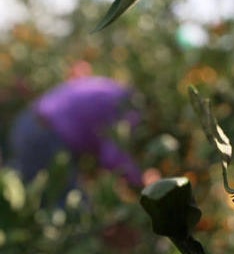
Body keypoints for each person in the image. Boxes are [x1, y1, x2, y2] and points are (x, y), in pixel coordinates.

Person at [4, 76, 143, 190]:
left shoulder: (109, 89)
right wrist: (143, 185)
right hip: (43, 133)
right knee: (67, 204)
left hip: (27, 124)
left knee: (22, 186)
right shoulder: (129, 107)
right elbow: (113, 158)